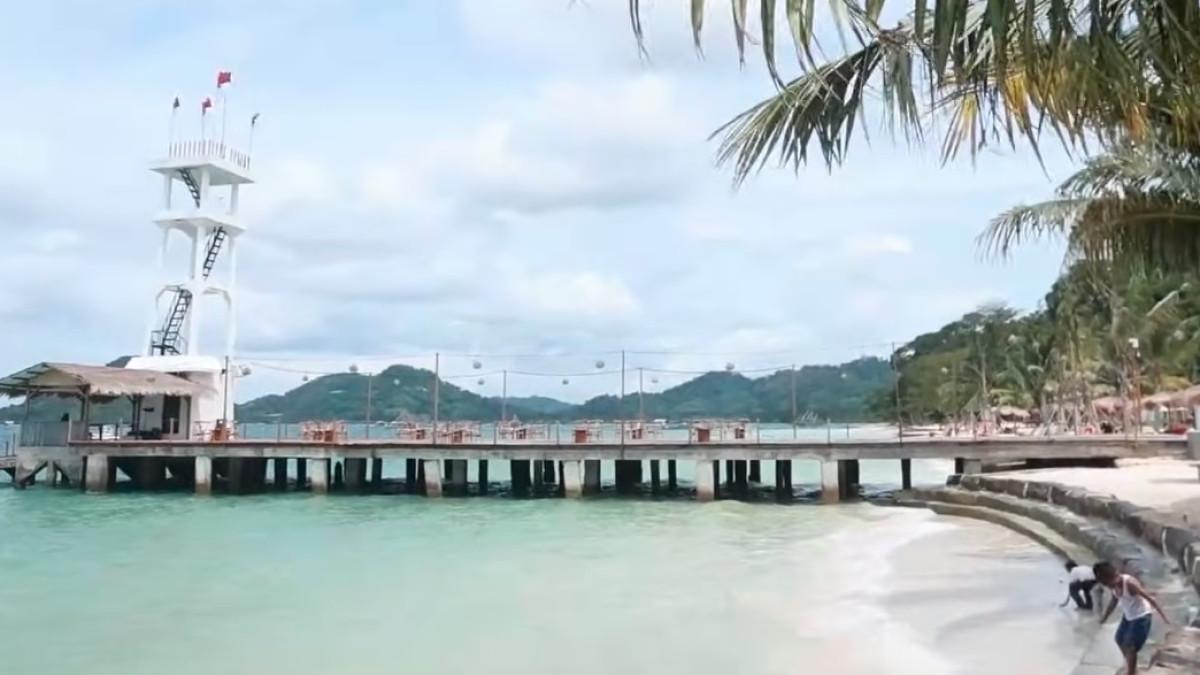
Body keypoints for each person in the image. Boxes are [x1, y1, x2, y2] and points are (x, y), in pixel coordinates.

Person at [1094, 561, 1171, 675]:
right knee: (1119, 639)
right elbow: (1113, 602)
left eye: (1110, 584)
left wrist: (1164, 617)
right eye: (1107, 585)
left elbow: (1150, 598)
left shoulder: (1129, 583)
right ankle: (1131, 665)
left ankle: (1131, 672)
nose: (1110, 587)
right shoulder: (1113, 585)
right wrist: (1104, 617)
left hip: (1141, 616)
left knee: (1130, 646)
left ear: (1116, 574)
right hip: (1129, 615)